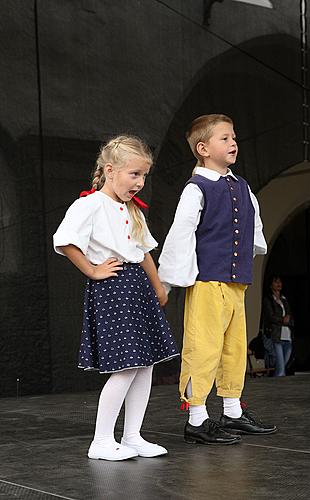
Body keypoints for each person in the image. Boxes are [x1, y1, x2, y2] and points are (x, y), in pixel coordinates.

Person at [53, 135, 179, 461]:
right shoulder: (91, 204)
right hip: (114, 289)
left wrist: (158, 287)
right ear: (110, 170)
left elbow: (145, 252)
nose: (139, 182)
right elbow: (65, 240)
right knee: (125, 366)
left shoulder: (132, 210)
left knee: (146, 364)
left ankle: (133, 435)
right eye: (133, 174)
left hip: (137, 288)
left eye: (143, 176)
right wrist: (93, 270)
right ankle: (101, 440)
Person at [158, 114, 277, 445]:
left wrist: (245, 257)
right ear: (203, 148)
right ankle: (196, 418)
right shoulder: (197, 188)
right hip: (208, 281)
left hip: (236, 282)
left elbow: (252, 227)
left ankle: (232, 412)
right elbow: (180, 234)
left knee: (234, 349)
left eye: (234, 137)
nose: (233, 142)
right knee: (203, 347)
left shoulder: (241, 186)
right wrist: (166, 282)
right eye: (224, 138)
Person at [262, 275, 293, 377]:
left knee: (283, 363)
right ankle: (280, 388)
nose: (279, 284)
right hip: (276, 335)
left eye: (280, 282)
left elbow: (289, 314)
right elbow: (270, 316)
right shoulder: (269, 300)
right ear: (271, 285)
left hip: (287, 334)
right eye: (276, 282)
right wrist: (282, 320)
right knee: (280, 368)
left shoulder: (284, 299)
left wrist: (288, 320)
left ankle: (277, 382)